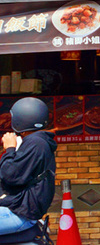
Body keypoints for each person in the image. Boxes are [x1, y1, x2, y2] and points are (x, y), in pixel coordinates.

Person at [0, 97, 57, 236]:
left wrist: (10, 148)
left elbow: (10, 175)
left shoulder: (36, 142)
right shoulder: (39, 141)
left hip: (20, 214)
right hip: (22, 210)